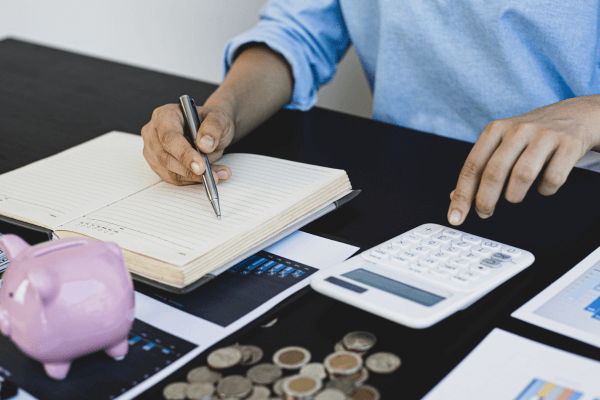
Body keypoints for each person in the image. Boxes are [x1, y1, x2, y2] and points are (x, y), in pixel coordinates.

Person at [141, 0, 600, 226]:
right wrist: (224, 110)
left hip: (570, 193)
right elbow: (301, 32)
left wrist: (591, 113)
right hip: (401, 183)